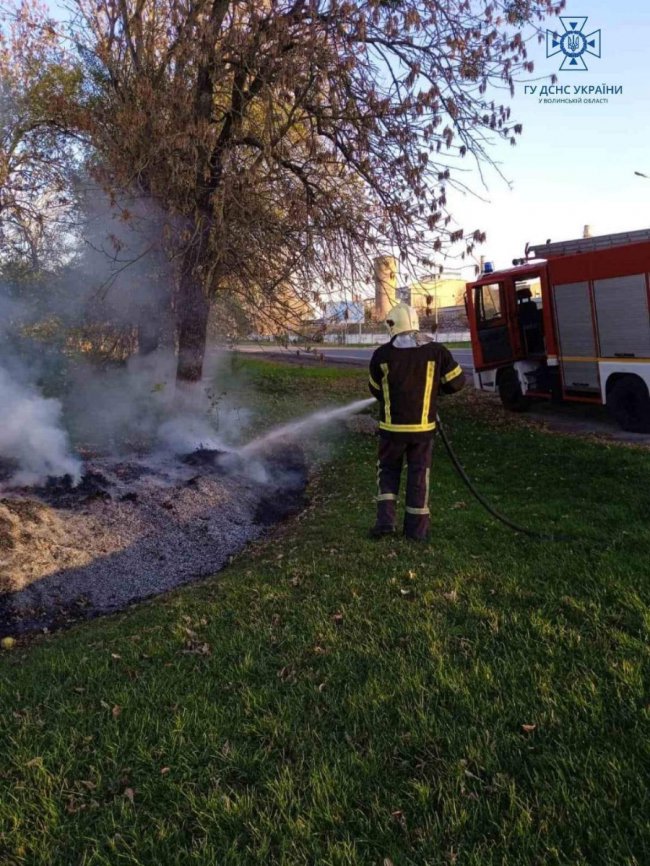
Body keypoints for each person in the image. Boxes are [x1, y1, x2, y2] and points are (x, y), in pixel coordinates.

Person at [368, 302, 465, 541]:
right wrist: (436, 390)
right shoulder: (436, 352)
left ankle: (385, 524)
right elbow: (457, 381)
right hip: (423, 430)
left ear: (392, 325)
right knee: (419, 475)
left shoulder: (382, 355)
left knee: (388, 472)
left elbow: (375, 389)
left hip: (391, 431)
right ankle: (416, 531)